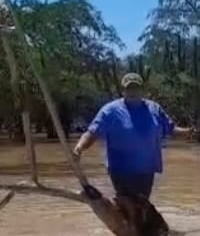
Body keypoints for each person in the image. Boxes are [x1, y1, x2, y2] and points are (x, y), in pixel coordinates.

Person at [72, 73, 189, 201]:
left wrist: (189, 132)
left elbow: (170, 129)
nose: (132, 92)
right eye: (129, 88)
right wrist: (79, 148)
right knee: (128, 207)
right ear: (123, 91)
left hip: (146, 170)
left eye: (136, 88)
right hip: (121, 170)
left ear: (142, 90)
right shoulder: (110, 111)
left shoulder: (154, 109)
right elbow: (92, 132)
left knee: (143, 207)